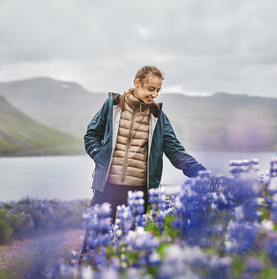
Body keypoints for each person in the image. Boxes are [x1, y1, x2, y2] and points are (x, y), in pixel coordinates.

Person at [83, 66, 206, 220]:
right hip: (107, 187)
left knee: (132, 242)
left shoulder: (158, 117)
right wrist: (100, 156)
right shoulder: (112, 106)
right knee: (95, 239)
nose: (154, 94)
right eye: (151, 89)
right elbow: (91, 135)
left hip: (138, 193)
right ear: (137, 83)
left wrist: (202, 174)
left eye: (158, 90)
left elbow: (176, 152)